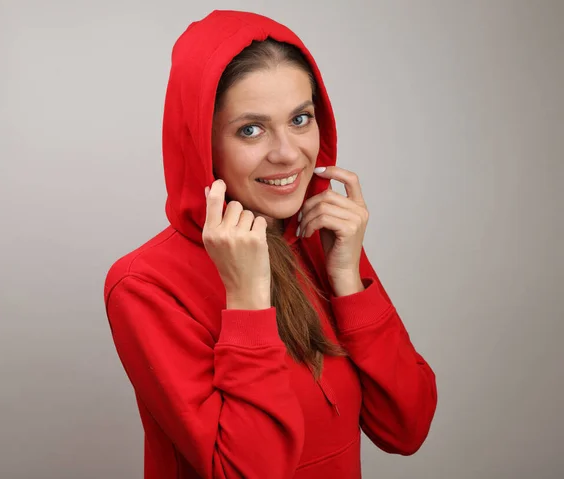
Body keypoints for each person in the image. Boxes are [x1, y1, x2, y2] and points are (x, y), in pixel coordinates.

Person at [104, 9, 437, 479]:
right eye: (251, 129)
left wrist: (348, 281)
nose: (287, 152)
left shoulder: (320, 241)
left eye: (300, 118)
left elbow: (407, 426)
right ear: (201, 143)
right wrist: (246, 303)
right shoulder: (145, 284)